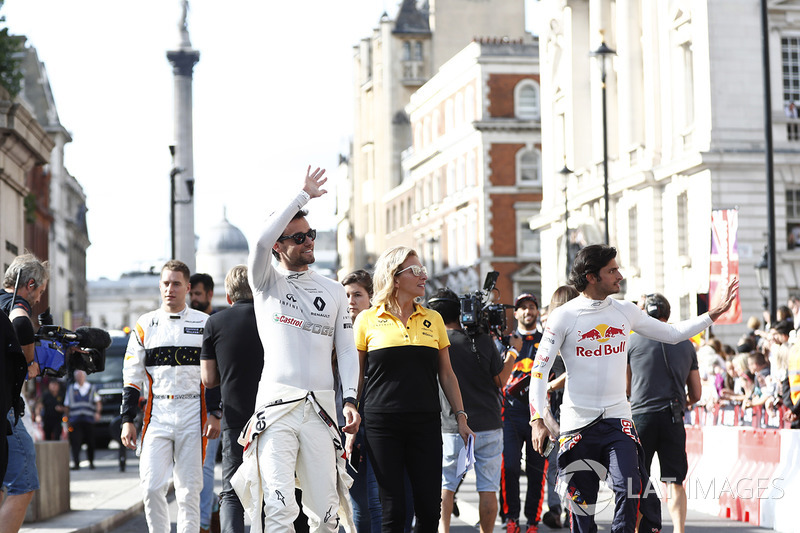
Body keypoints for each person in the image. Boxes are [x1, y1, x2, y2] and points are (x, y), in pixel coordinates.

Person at [529, 244, 738, 533]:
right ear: (591, 277)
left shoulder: (626, 311)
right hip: (577, 426)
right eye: (612, 270)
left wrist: (713, 313)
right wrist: (537, 419)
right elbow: (538, 373)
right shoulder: (563, 317)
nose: (620, 275)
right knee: (582, 511)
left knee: (631, 491)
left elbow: (673, 334)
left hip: (618, 422)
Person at [234, 166, 360, 533]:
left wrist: (350, 399)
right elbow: (258, 243)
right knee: (278, 509)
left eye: (312, 235)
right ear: (279, 245)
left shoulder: (334, 290)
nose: (308, 242)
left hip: (321, 409)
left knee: (327, 513)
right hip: (276, 409)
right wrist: (300, 196)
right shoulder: (265, 281)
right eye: (298, 237)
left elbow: (348, 352)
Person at [354, 245, 474, 533]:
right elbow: (357, 375)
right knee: (393, 509)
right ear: (395, 278)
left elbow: (447, 374)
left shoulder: (432, 318)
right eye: (416, 271)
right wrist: (352, 416)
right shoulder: (367, 319)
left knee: (429, 508)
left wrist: (461, 417)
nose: (424, 276)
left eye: (423, 270)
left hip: (425, 421)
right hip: (382, 423)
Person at [120, 260, 218, 533]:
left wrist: (214, 413)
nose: (170, 289)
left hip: (193, 414)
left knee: (189, 491)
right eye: (166, 283)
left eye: (176, 284)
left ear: (187, 288)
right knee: (151, 487)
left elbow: (214, 375)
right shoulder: (145, 324)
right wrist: (127, 419)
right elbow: (131, 375)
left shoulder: (206, 324)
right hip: (157, 413)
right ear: (159, 286)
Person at [427, 288, 515, 533]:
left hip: (451, 425)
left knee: (447, 485)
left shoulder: (434, 343)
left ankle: (443, 531)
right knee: (488, 488)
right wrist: (514, 352)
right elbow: (501, 380)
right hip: (488, 423)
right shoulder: (482, 339)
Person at [626, 293, 701, 533]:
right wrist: (683, 403)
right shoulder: (687, 343)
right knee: (675, 481)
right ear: (667, 315)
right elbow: (697, 393)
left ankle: (640, 529)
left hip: (640, 417)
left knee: (638, 480)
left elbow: (625, 388)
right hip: (672, 416)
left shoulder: (631, 341)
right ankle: (679, 530)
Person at [200, 265, 264, 533]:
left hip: (235, 417)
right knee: (274, 489)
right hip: (273, 415)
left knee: (231, 491)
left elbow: (208, 379)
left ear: (228, 296)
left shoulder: (214, 323)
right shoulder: (270, 318)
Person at [0, 254, 48, 533]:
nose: (38, 300)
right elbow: (20, 324)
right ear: (30, 284)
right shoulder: (19, 311)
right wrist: (31, 362)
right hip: (7, 409)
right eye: (39, 292)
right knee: (24, 482)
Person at [500, 293, 547, 533]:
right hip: (509, 413)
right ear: (515, 313)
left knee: (536, 471)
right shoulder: (505, 341)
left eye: (532, 307)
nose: (528, 311)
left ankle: (532, 521)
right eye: (523, 308)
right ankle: (510, 518)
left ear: (537, 312)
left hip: (538, 414)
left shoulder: (547, 340)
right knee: (508, 467)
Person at [339, 269, 379, 533]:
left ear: (371, 298)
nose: (351, 301)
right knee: (348, 502)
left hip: (368, 424)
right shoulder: (337, 332)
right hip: (336, 425)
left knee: (369, 502)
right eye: (346, 295)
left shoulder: (376, 333)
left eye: (357, 295)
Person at [540, 285, 579, 530]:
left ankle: (558, 507)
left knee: (555, 463)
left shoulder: (550, 334)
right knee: (571, 461)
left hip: (554, 405)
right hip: (570, 404)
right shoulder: (573, 333)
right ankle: (567, 509)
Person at [191, 272, 223, 533]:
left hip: (212, 410)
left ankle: (202, 525)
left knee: (205, 467)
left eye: (197, 294)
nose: (193, 298)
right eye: (191, 293)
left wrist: (216, 410)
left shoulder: (216, 322)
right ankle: (212, 511)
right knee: (195, 470)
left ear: (210, 294)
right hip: (189, 408)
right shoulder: (188, 322)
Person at [64, 369, 101, 470]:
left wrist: (97, 413)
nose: (80, 378)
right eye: (78, 376)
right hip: (75, 420)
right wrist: (67, 419)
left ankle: (91, 462)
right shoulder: (71, 389)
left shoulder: (92, 388)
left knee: (91, 442)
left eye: (81, 375)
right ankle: (76, 463)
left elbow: (98, 402)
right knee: (76, 442)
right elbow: (67, 405)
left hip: (88, 419)